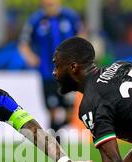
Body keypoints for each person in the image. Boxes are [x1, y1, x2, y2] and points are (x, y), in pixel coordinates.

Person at [18, 0, 84, 132]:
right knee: (53, 110)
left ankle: (52, 135)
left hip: (68, 74)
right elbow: (23, 43)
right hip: (47, 73)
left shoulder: (70, 17)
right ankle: (54, 140)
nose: (50, 4)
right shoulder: (35, 20)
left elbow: (82, 35)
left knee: (70, 112)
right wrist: (31, 57)